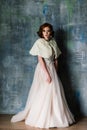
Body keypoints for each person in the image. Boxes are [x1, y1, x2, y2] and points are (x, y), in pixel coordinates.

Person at [11, 23, 75, 128]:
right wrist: (47, 74)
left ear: (51, 32)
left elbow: (56, 59)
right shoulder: (39, 42)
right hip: (43, 69)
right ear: (41, 32)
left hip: (52, 69)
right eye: (44, 31)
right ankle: (40, 117)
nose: (46, 33)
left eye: (48, 31)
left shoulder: (53, 42)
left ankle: (55, 117)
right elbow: (40, 60)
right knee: (43, 92)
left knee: (54, 92)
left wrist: (55, 72)